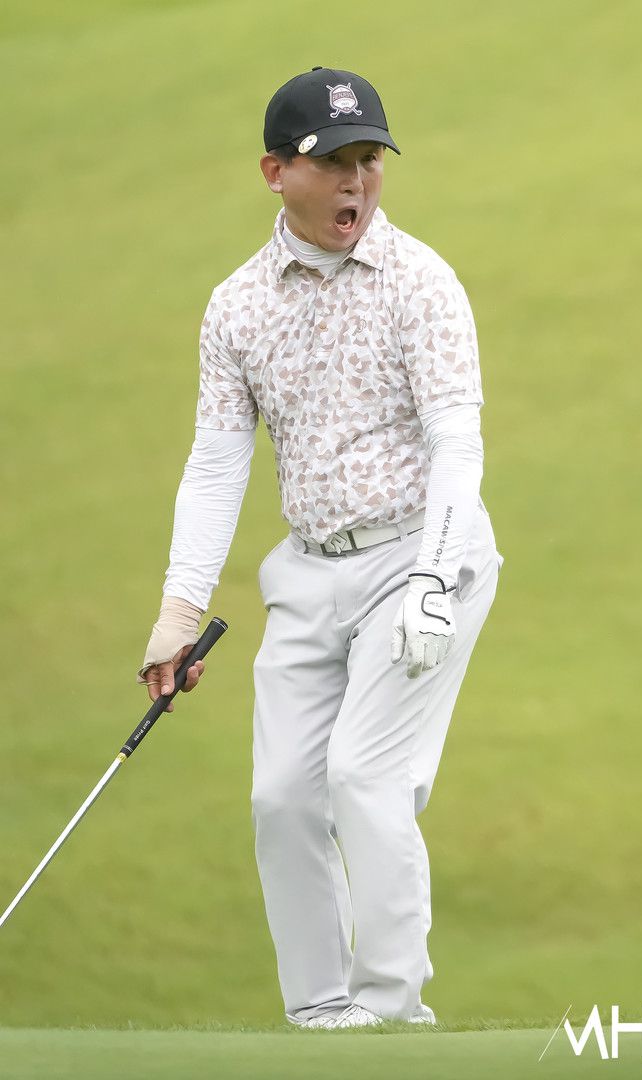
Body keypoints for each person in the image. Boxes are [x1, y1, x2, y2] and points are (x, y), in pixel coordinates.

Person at [138, 66, 503, 1030]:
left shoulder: (421, 282)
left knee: (364, 776)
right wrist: (178, 614)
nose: (357, 180)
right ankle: (320, 1018)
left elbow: (457, 443)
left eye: (370, 158)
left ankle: (392, 1012)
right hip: (308, 571)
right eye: (334, 161)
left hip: (422, 555)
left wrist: (434, 577)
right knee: (283, 799)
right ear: (276, 172)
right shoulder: (236, 307)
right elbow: (217, 465)